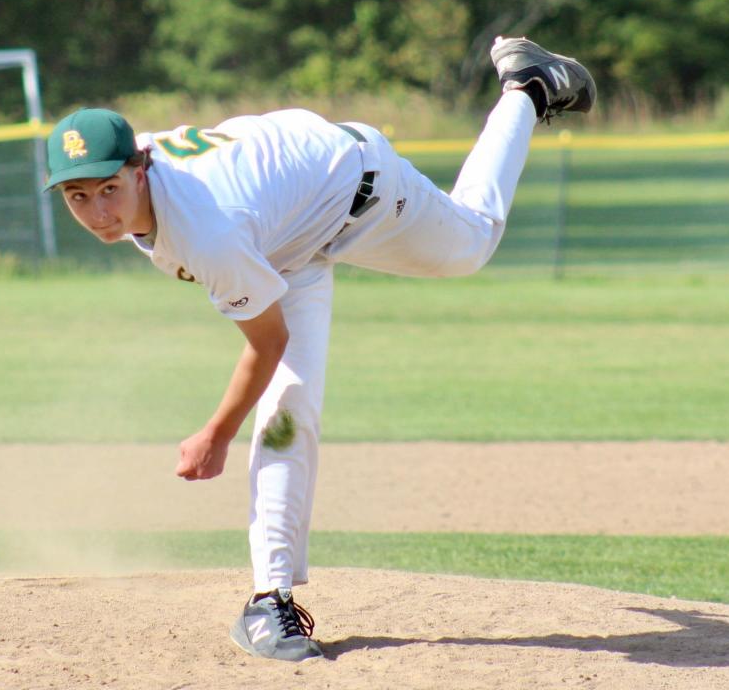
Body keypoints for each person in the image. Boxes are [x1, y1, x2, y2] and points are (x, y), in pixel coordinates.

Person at [43, 37, 595, 662]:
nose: (95, 211)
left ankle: (528, 88)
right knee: (288, 411)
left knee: (470, 244)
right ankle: (269, 601)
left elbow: (268, 340)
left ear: (140, 168)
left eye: (108, 189)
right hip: (286, 229)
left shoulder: (207, 230)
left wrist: (216, 432)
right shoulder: (137, 163)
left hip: (359, 188)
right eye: (77, 196)